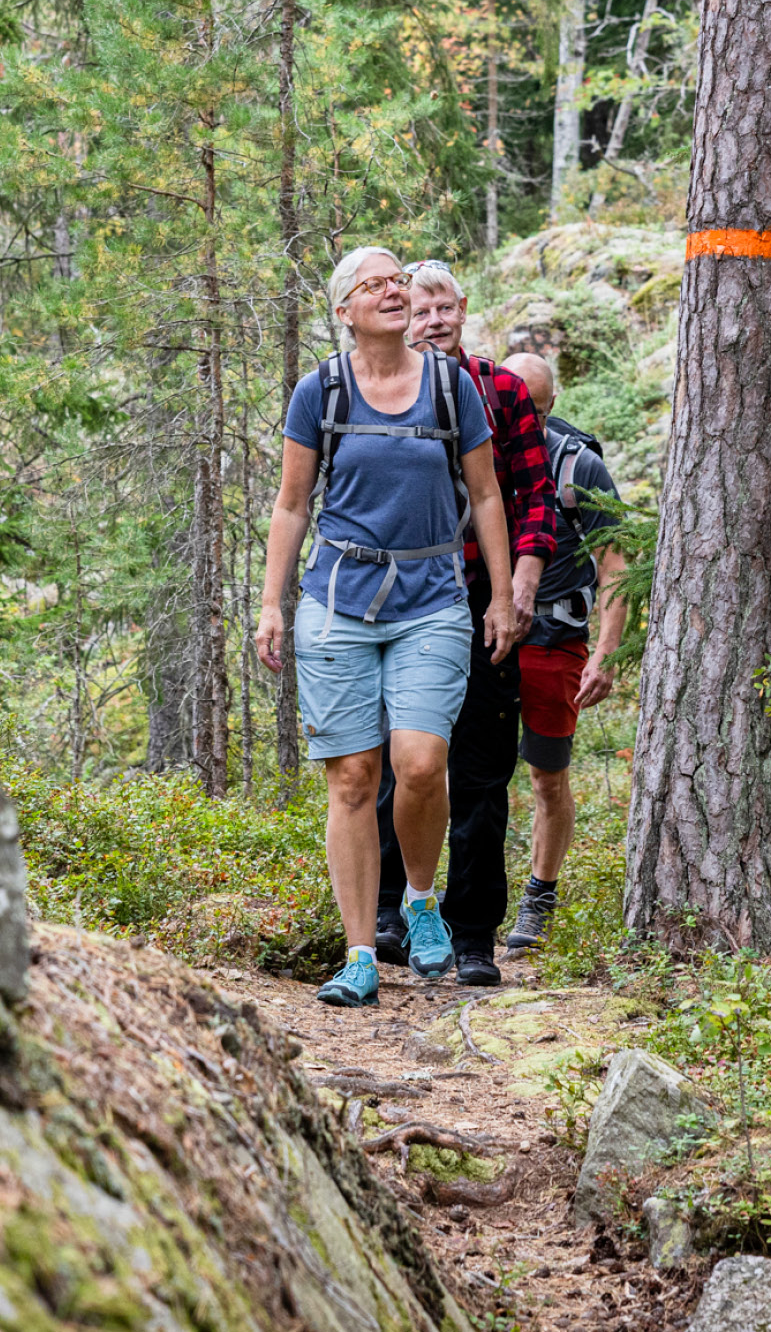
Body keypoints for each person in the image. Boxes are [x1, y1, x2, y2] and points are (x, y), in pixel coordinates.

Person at [256, 247, 524, 1008]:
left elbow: (484, 493)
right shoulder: (321, 390)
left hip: (433, 598)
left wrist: (500, 596)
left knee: (419, 763)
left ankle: (419, 897)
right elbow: (290, 504)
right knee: (350, 777)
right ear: (344, 311)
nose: (392, 291)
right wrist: (271, 602)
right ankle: (359, 954)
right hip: (338, 598)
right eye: (372, 285)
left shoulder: (448, 385)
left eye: (396, 281)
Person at [365, 260, 560, 988]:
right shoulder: (380, 394)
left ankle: (473, 932)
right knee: (399, 764)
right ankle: (387, 911)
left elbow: (535, 497)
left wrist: (518, 592)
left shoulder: (501, 390)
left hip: (487, 608)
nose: (433, 319)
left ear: (462, 309)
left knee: (481, 774)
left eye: (443, 306)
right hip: (404, 609)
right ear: (400, 320)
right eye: (418, 310)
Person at [497, 351, 631, 950]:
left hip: (555, 641)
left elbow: (615, 567)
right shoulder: (473, 457)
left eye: (534, 402)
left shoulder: (582, 467)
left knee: (548, 777)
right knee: (465, 774)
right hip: (482, 639)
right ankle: (456, 898)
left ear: (549, 405)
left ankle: (538, 898)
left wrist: (605, 651)